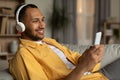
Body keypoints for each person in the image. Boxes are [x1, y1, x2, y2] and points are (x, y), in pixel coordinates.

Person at [8, 4, 119, 80]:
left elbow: (76, 59)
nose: (42, 25)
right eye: (35, 21)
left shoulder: (49, 42)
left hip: (98, 76)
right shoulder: (24, 54)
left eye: (42, 20)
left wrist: (88, 56)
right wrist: (83, 67)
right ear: (20, 27)